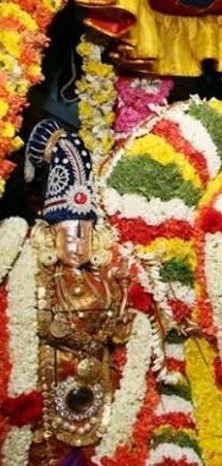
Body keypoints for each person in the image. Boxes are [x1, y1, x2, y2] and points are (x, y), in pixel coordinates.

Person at [8, 120, 133, 465]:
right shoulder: (31, 277)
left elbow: (120, 336)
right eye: (68, 232)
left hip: (99, 400)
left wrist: (124, 297)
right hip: (47, 399)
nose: (77, 243)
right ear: (51, 234)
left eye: (84, 232)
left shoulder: (108, 279)